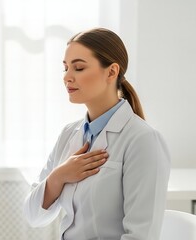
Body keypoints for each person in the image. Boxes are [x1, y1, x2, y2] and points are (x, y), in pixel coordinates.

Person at [23, 28, 170, 239]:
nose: (67, 77)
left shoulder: (143, 140)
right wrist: (59, 176)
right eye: (65, 68)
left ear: (111, 72)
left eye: (79, 68)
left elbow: (141, 235)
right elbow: (33, 216)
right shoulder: (68, 134)